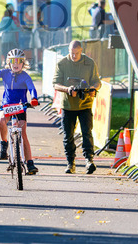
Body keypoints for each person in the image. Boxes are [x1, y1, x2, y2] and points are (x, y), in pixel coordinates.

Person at [53, 40, 101, 174]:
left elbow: (97, 82)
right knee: (68, 135)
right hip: (68, 105)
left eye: (77, 53)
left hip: (85, 104)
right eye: (71, 53)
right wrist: (68, 89)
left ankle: (89, 160)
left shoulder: (89, 63)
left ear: (81, 51)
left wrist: (93, 88)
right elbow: (56, 84)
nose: (74, 56)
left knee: (87, 133)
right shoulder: (62, 63)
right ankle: (70, 163)